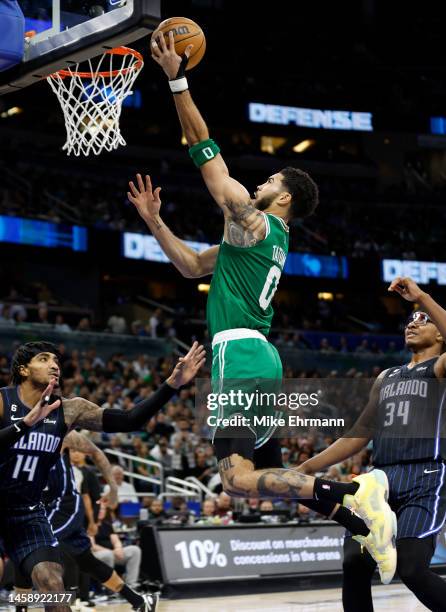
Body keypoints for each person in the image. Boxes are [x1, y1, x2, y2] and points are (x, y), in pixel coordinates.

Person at [125, 32, 397, 582]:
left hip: (239, 355)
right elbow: (189, 267)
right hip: (262, 358)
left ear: (285, 198)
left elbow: (206, 154)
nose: (259, 181)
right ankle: (361, 523)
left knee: (235, 479)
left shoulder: (255, 220)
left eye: (269, 179)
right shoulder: (259, 239)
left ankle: (357, 489)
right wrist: (155, 222)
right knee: (264, 473)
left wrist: (177, 80)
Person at [0, 339, 205, 612]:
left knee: (52, 584)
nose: (54, 365)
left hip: (28, 513)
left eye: (57, 361)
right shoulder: (3, 401)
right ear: (24, 370)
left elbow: (130, 419)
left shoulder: (70, 409)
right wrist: (25, 424)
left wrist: (172, 385)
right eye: (44, 359)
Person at [299, 276, 446, 611]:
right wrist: (309, 467)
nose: (412, 323)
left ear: (440, 331)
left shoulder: (439, 370)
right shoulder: (386, 377)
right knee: (353, 561)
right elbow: (360, 431)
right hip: (380, 480)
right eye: (408, 320)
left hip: (426, 478)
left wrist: (422, 298)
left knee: (412, 569)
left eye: (421, 320)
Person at [13, 430, 153, 611]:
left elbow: (95, 451)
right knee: (87, 561)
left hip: (65, 505)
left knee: (27, 545)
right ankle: (138, 601)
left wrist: (113, 488)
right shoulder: (16, 431)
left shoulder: (60, 430)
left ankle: (42, 605)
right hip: (43, 507)